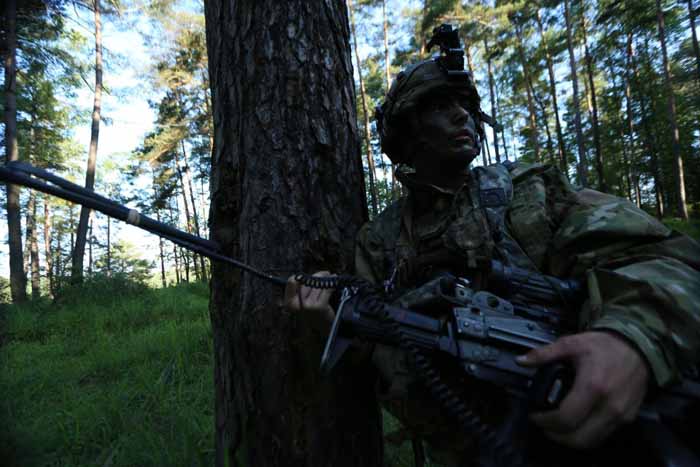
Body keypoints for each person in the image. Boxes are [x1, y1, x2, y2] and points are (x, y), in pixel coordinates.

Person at [285, 26, 700, 466]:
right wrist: (328, 320)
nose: (462, 115)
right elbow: (374, 367)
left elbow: (664, 258)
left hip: (610, 424)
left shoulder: (530, 192)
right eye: (442, 106)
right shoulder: (380, 242)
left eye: (465, 105)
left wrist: (630, 339)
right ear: (407, 130)